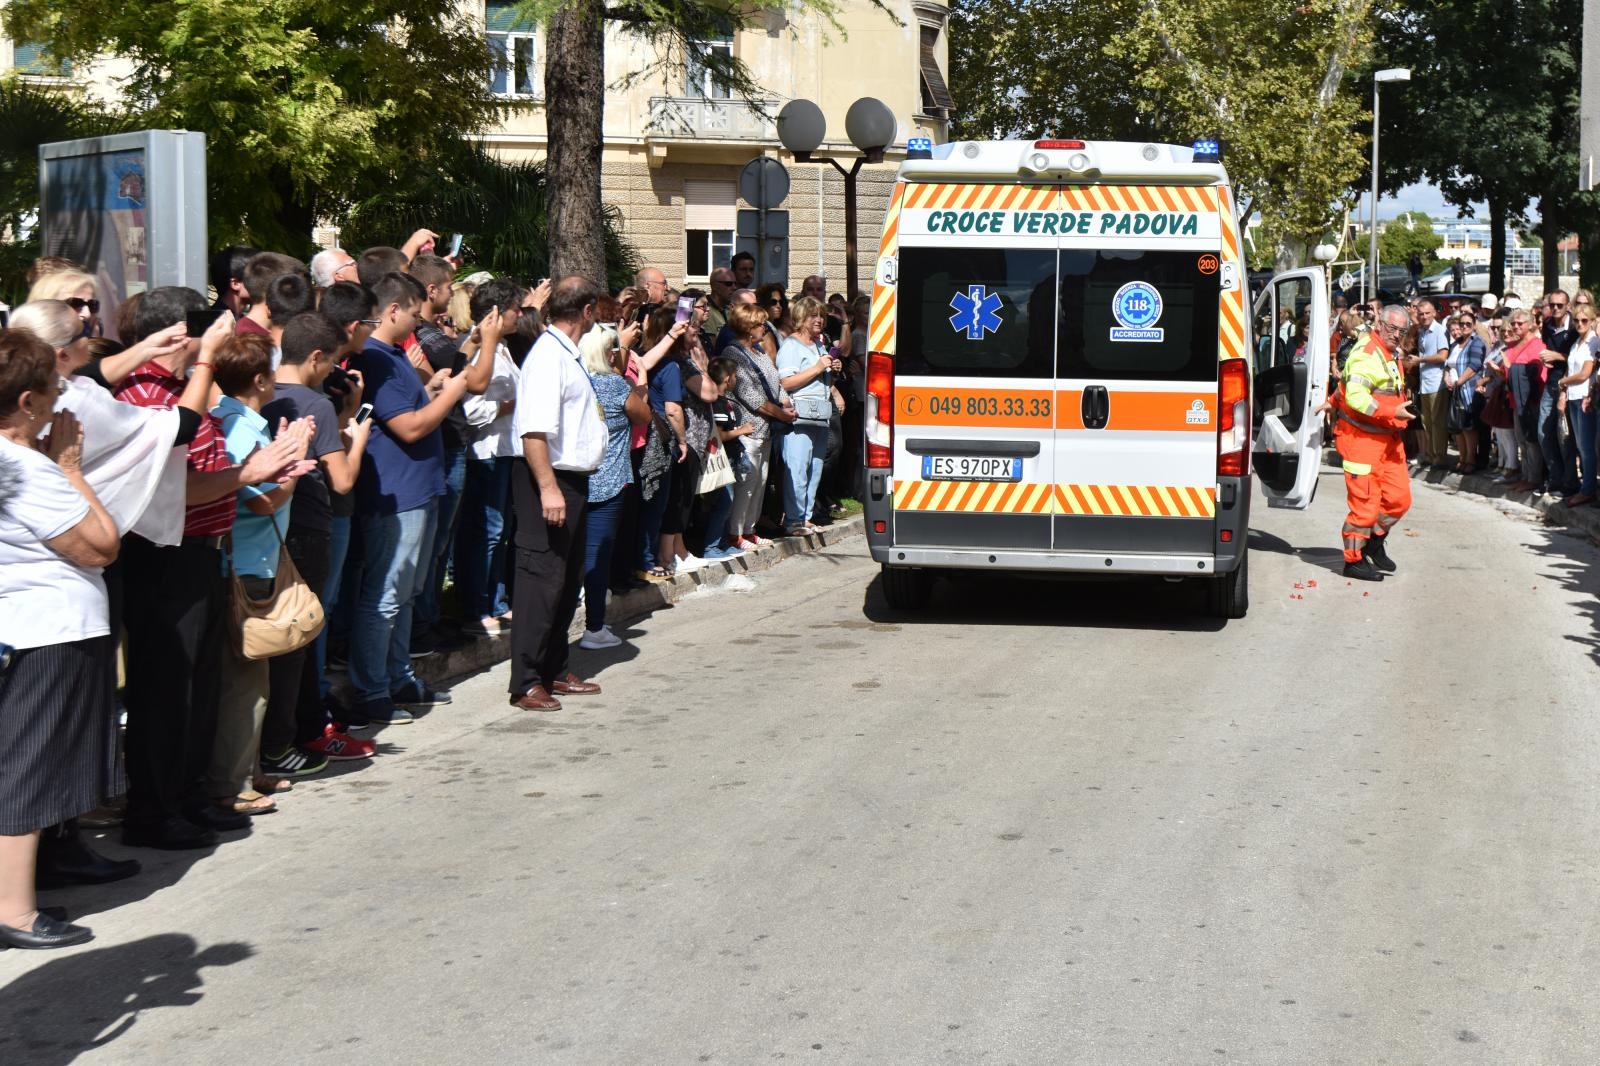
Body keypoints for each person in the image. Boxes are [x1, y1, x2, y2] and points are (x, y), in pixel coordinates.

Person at [115, 290, 312, 849]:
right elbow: (172, 488)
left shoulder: (187, 392)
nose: (219, 336)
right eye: (208, 327)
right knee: (165, 689)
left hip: (205, 551)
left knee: (199, 686)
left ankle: (191, 795)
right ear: (178, 335)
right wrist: (251, 472)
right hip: (166, 555)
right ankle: (154, 810)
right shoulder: (147, 394)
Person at [0, 331, 122, 949]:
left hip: (22, 626)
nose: (60, 398)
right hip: (46, 629)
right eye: (53, 388)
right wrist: (70, 467)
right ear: (26, 401)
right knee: (28, 762)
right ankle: (14, 911)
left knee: (23, 757)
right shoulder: (24, 467)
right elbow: (100, 545)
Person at [347, 272, 470, 726]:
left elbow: (413, 410)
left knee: (406, 593)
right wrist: (451, 394)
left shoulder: (395, 355)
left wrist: (433, 389)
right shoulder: (375, 359)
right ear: (393, 309)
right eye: (415, 313)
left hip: (420, 488)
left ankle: (398, 677)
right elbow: (410, 426)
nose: (420, 322)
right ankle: (371, 690)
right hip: (396, 496)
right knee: (385, 594)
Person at [260, 312, 376, 772]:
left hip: (268, 529)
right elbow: (343, 480)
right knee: (302, 633)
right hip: (309, 526)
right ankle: (298, 734)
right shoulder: (315, 404)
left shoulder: (260, 391)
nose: (333, 372)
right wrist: (359, 434)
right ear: (314, 356)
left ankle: (279, 733)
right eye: (331, 363)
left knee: (273, 632)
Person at [207, 332, 304, 818]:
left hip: (253, 562)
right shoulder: (241, 429)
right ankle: (231, 785)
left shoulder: (240, 420)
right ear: (260, 379)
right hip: (246, 567)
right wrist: (291, 469)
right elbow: (261, 499)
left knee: (254, 678)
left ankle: (245, 769)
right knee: (244, 682)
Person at [507, 276, 608, 713]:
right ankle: (526, 681)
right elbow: (533, 431)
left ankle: (553, 668)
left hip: (572, 480)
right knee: (540, 581)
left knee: (566, 581)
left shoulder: (566, 353)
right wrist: (548, 489)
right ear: (586, 312)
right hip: (549, 480)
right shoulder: (549, 356)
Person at [577, 320, 650, 650]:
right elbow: (643, 415)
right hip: (609, 480)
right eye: (613, 348)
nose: (616, 353)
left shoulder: (577, 380)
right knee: (598, 554)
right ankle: (594, 627)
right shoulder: (613, 384)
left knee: (580, 553)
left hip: (576, 478)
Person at [1333, 305, 1416, 581]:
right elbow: (1357, 397)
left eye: (1401, 331)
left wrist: (1333, 399)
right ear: (1380, 323)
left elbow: (1347, 387)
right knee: (1366, 506)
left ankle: (1374, 542)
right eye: (1392, 328)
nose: (1396, 334)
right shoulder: (1368, 351)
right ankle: (1353, 560)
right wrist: (1392, 412)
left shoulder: (1387, 351)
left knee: (1398, 500)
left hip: (1388, 439)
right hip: (1363, 440)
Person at [720, 301, 795, 550]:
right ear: (748, 326)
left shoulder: (760, 351)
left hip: (767, 429)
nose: (765, 328)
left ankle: (750, 529)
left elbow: (775, 380)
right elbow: (751, 397)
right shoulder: (733, 354)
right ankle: (735, 533)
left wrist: (785, 400)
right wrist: (782, 415)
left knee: (761, 481)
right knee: (747, 483)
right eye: (761, 324)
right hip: (747, 428)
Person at [776, 296, 840, 535]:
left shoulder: (819, 345)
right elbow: (787, 382)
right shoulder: (791, 346)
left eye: (822, 315)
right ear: (801, 318)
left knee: (815, 468)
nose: (819, 320)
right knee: (798, 466)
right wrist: (817, 368)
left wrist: (831, 370)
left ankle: (806, 517)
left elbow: (820, 378)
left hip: (820, 414)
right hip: (800, 416)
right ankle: (793, 520)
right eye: (814, 315)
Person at [1538, 291, 1579, 497]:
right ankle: (1555, 478)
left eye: (1559, 305)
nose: (1555, 309)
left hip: (1569, 386)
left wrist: (1557, 356)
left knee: (1565, 437)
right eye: (1552, 305)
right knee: (1543, 433)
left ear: (1567, 305)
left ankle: (1570, 483)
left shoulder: (1574, 327)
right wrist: (1548, 360)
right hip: (1551, 383)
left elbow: (1578, 358)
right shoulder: (1547, 324)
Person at [1403, 299, 1449, 467]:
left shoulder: (1440, 331)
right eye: (1421, 314)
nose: (1424, 317)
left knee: (1438, 423)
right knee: (1426, 422)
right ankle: (1430, 455)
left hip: (1437, 383)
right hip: (1425, 383)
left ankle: (1440, 458)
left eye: (1427, 313)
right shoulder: (1422, 331)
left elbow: (1442, 356)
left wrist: (1420, 360)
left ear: (1434, 313)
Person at [1562, 307, 1599, 505]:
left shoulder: (1593, 342)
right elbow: (1571, 367)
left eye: (1585, 320)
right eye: (1576, 320)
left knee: (1586, 447)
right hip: (1573, 396)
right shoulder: (1577, 342)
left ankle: (1588, 489)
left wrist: (1563, 381)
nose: (1580, 324)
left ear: (1592, 321)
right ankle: (1587, 486)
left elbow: (1585, 374)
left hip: (1586, 396)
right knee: (1580, 445)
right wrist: (1564, 390)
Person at [1442, 312, 1485, 474]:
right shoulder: (1455, 344)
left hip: (1468, 390)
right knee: (1457, 426)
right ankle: (1462, 458)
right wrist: (1446, 377)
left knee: (1469, 426)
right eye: (1462, 324)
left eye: (1468, 324)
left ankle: (1471, 460)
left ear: (1474, 325)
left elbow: (1474, 365)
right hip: (1454, 391)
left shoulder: (1476, 343)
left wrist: (1459, 381)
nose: (1464, 327)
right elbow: (1448, 365)